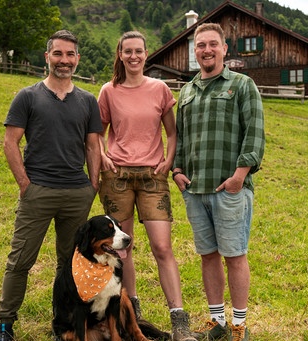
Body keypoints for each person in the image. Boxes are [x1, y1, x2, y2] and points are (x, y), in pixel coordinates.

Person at [0, 30, 102, 341]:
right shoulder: (27, 97)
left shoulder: (87, 100)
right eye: (58, 54)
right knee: (20, 261)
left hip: (76, 194)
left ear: (77, 59)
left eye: (70, 55)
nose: (64, 60)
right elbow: (10, 142)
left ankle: (64, 324)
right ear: (47, 57)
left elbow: (93, 146)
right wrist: (24, 183)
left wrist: (92, 185)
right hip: (38, 191)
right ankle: (5, 325)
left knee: (70, 264)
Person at [97, 31, 197, 341]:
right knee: (122, 250)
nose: (134, 56)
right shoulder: (108, 91)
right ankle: (131, 314)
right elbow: (97, 133)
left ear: (145, 53)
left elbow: (172, 132)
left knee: (162, 247)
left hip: (153, 177)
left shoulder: (160, 89)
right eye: (128, 51)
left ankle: (179, 320)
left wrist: (168, 161)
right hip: (118, 178)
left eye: (138, 51)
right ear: (121, 54)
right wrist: (103, 157)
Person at [172, 23, 265, 341]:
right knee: (208, 255)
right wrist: (177, 171)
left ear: (225, 49)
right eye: (200, 45)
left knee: (235, 254)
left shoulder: (242, 85)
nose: (206, 50)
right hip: (195, 189)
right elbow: (180, 138)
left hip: (230, 188)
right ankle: (217, 322)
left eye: (213, 44)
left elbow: (254, 132)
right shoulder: (186, 91)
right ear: (194, 51)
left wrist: (240, 177)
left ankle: (239, 325)